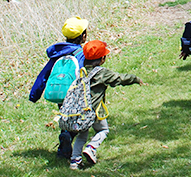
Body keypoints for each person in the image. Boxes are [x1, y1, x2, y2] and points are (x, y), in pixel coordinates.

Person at [69, 40, 142, 170]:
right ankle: (91, 148)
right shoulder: (102, 73)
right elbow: (119, 79)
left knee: (82, 135)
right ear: (102, 59)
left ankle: (75, 161)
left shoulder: (81, 71)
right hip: (94, 111)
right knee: (103, 130)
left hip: (80, 110)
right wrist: (134, 79)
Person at [29, 16, 89, 159]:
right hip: (75, 93)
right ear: (83, 36)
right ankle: (67, 137)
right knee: (78, 119)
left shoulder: (58, 54)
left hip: (60, 92)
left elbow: (43, 75)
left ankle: (63, 149)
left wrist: (34, 94)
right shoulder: (81, 54)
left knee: (65, 117)